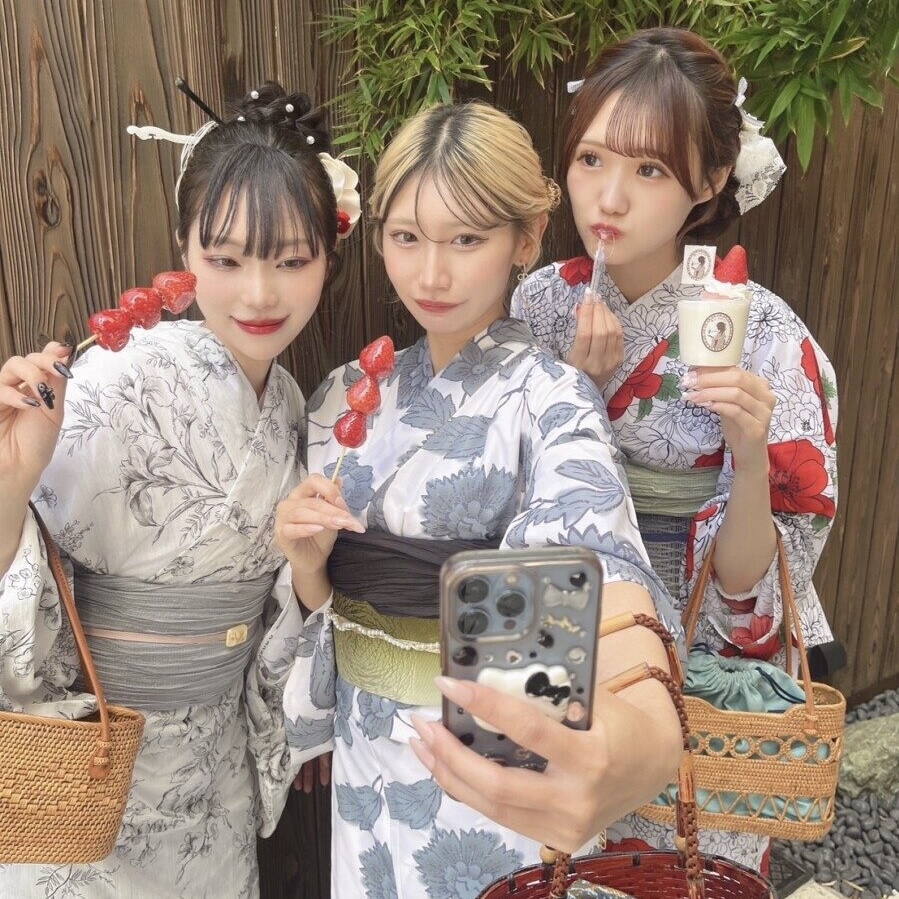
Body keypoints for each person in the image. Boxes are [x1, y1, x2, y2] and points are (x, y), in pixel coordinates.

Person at [276, 101, 685, 898]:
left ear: (524, 240)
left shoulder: (552, 400)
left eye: (465, 240)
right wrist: (309, 568)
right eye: (406, 237)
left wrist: (643, 733)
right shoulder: (340, 397)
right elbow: (324, 604)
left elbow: (601, 569)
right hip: (366, 758)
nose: (431, 275)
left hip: (493, 766)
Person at [0, 81, 360, 897]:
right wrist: (11, 484)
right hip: (87, 772)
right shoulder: (109, 383)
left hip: (211, 783)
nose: (258, 294)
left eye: (291, 260)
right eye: (224, 260)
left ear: (329, 255)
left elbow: (278, 610)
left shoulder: (295, 405)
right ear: (181, 251)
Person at [510, 27, 839, 870]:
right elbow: (500, 501)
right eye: (590, 159)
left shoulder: (767, 338)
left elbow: (751, 594)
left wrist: (749, 453)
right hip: (562, 659)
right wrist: (573, 401)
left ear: (711, 179)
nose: (609, 197)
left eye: (649, 170)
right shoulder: (537, 306)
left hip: (694, 676)